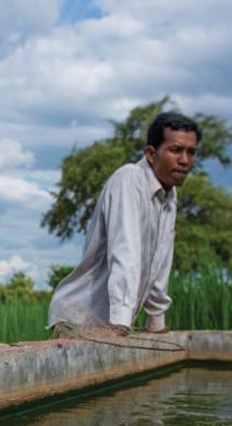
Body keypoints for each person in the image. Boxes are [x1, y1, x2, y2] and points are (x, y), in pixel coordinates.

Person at [48, 112, 200, 338]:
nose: (185, 160)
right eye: (176, 150)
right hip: (80, 319)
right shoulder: (128, 180)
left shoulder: (169, 194)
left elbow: (160, 259)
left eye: (191, 152)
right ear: (151, 154)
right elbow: (126, 253)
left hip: (112, 324)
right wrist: (120, 322)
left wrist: (156, 321)